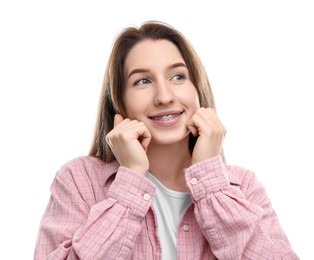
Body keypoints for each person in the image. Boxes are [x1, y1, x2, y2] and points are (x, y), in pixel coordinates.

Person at [34, 21, 299, 259]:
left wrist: (210, 182)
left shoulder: (243, 187)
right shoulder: (79, 181)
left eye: (178, 77)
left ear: (198, 90)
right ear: (120, 102)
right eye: (143, 81)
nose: (164, 96)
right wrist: (131, 180)